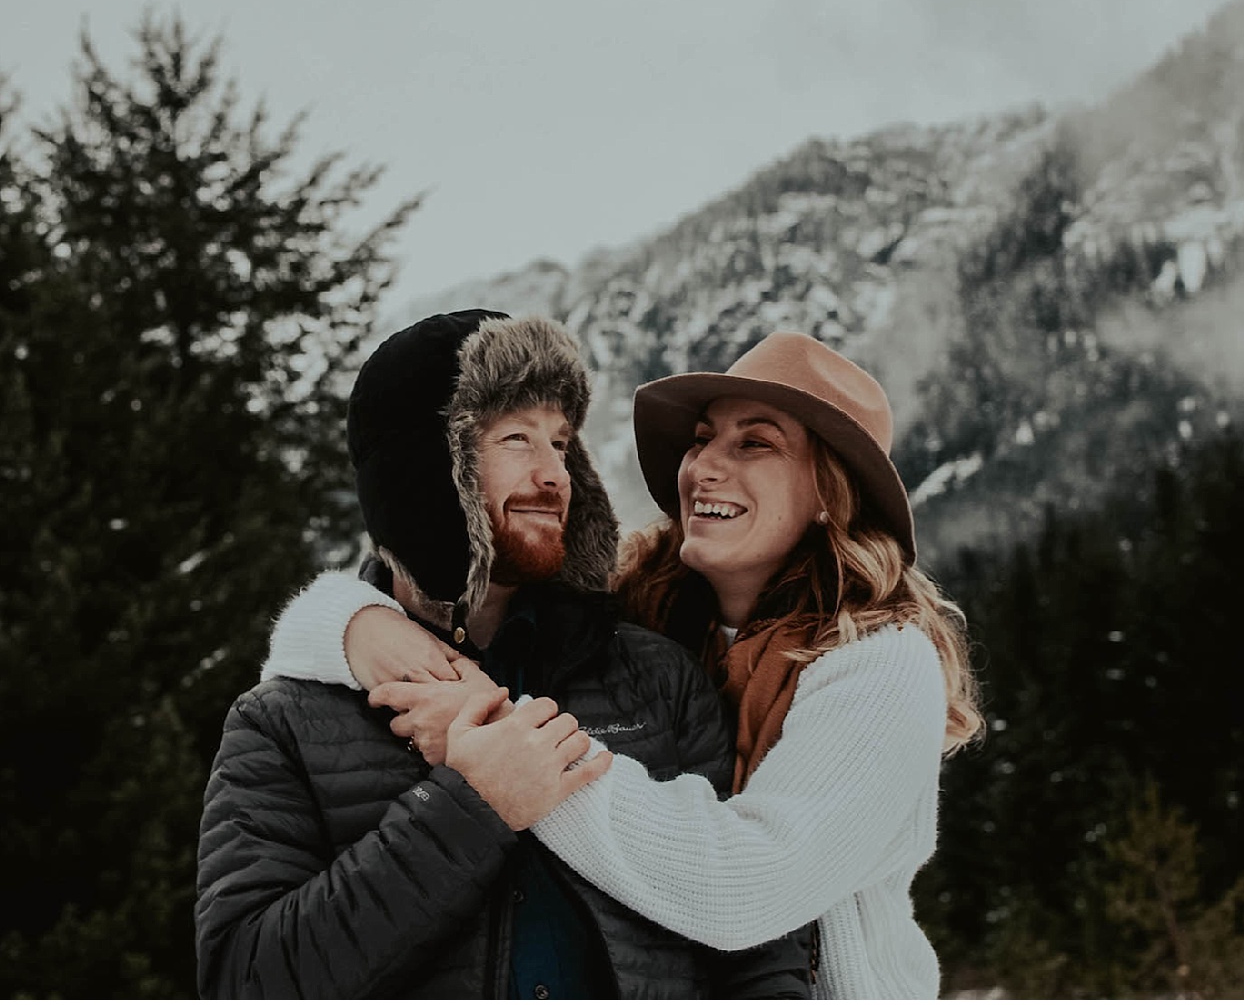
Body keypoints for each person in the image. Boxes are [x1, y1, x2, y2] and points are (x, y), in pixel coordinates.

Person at [276, 330, 985, 998]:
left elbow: (746, 889)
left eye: (755, 444)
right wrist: (357, 624)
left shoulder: (880, 666)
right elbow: (328, 631)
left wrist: (502, 738)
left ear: (832, 496)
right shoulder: (651, 613)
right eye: (704, 438)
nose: (705, 464)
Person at [194, 309, 813, 999]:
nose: (556, 474)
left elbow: (758, 946)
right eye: (517, 439)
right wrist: (468, 807)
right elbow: (243, 980)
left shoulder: (657, 680)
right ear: (426, 468)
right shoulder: (285, 722)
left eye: (561, 442)